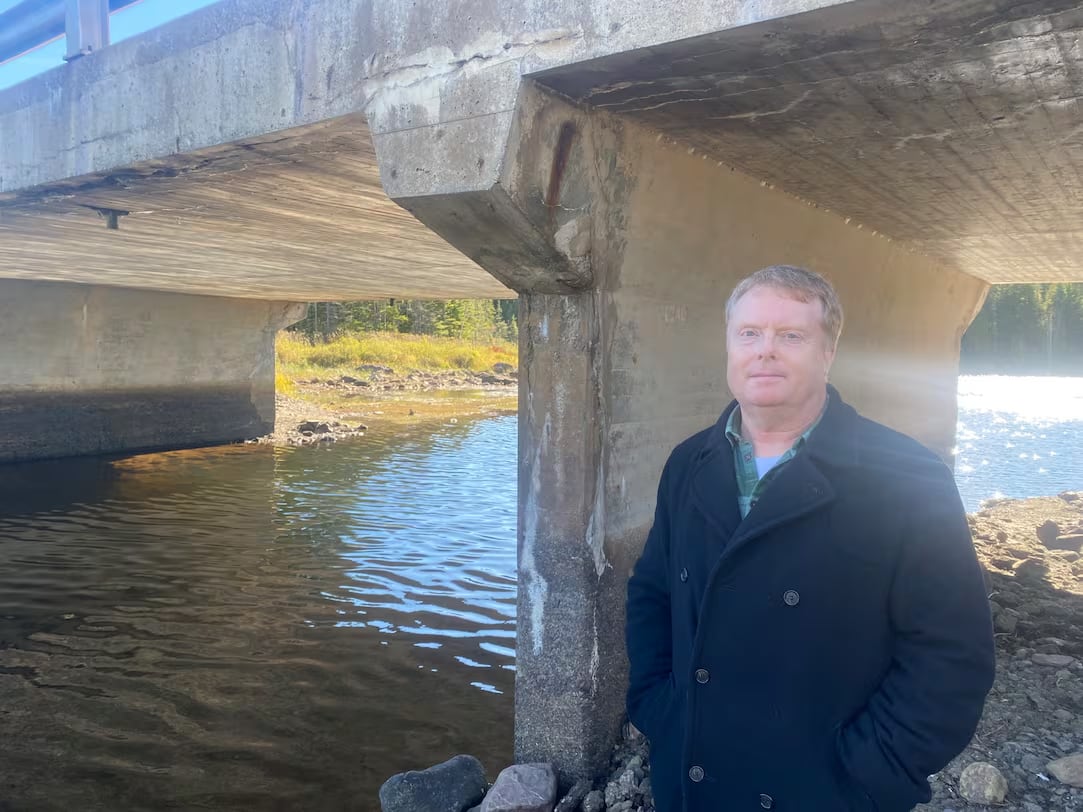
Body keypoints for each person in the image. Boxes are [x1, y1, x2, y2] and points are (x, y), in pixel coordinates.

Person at [625, 265, 995, 812]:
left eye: (791, 335)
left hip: (821, 792)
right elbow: (651, 594)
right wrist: (661, 709)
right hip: (693, 779)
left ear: (828, 351)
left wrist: (868, 772)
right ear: (728, 345)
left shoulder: (907, 476)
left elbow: (952, 652)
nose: (765, 350)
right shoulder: (688, 463)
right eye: (749, 333)